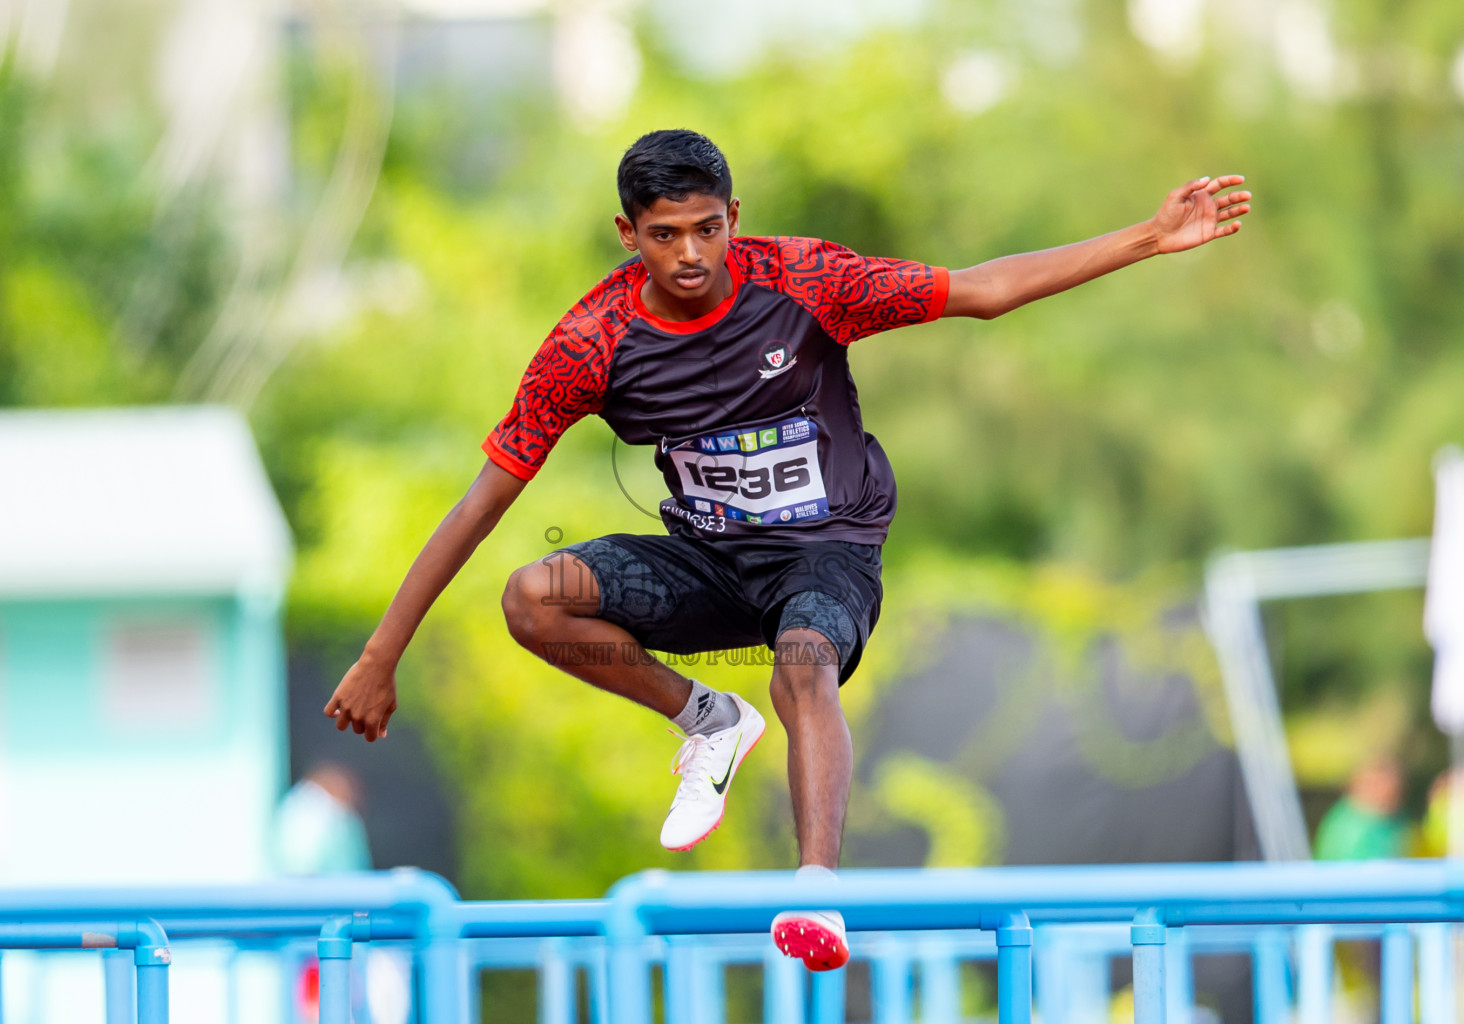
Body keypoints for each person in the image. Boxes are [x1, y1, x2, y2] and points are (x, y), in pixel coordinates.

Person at [324, 129, 1251, 971]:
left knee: (802, 664)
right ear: (626, 233)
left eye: (706, 229)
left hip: (829, 550)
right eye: (664, 235)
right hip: (714, 562)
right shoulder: (591, 344)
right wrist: (380, 655)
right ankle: (706, 723)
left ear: (736, 218)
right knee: (535, 596)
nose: (690, 255)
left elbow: (983, 292)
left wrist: (1146, 237)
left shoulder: (806, 283)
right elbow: (481, 501)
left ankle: (817, 891)